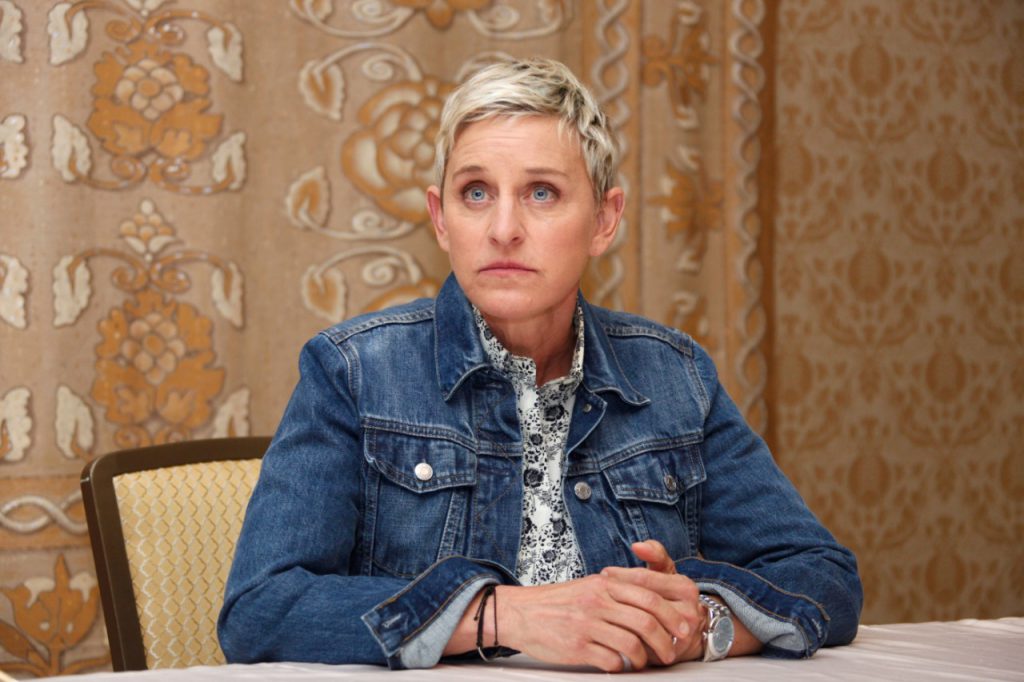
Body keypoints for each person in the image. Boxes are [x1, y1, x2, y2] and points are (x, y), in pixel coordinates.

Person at [218, 57, 862, 672]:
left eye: (542, 193)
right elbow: (261, 609)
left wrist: (699, 623)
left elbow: (823, 576)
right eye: (475, 192)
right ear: (441, 220)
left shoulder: (675, 376)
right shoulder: (353, 372)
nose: (504, 228)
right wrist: (506, 615)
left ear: (604, 220)